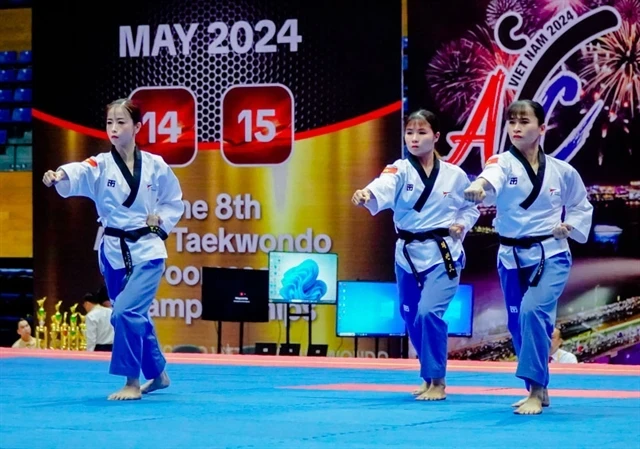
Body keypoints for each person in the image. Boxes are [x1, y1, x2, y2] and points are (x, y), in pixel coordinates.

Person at [42, 98, 185, 401]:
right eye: (110, 123)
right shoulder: (101, 164)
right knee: (136, 315)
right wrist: (60, 175)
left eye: (121, 122)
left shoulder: (155, 165)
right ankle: (158, 374)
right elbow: (80, 171)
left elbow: (174, 200)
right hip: (113, 250)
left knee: (123, 313)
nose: (114, 128)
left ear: (137, 127)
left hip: (147, 249)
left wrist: (161, 222)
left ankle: (132, 381)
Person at [464, 99, 593, 415]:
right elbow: (489, 177)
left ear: (542, 128)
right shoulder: (502, 163)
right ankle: (539, 388)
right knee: (518, 322)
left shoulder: (563, 171)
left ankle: (535, 390)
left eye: (524, 121)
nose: (516, 128)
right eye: (512, 122)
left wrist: (570, 226)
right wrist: (479, 187)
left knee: (533, 311)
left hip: (551, 254)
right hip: (511, 256)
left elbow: (581, 206)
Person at [352, 109, 479, 401]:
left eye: (421, 133)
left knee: (428, 313)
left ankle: (439, 381)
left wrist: (463, 223)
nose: (414, 138)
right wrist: (367, 194)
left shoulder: (455, 175)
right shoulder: (399, 170)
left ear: (435, 137)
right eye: (409, 132)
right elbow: (382, 186)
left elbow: (469, 206)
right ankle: (427, 374)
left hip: (443, 252)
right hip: (407, 255)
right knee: (410, 315)